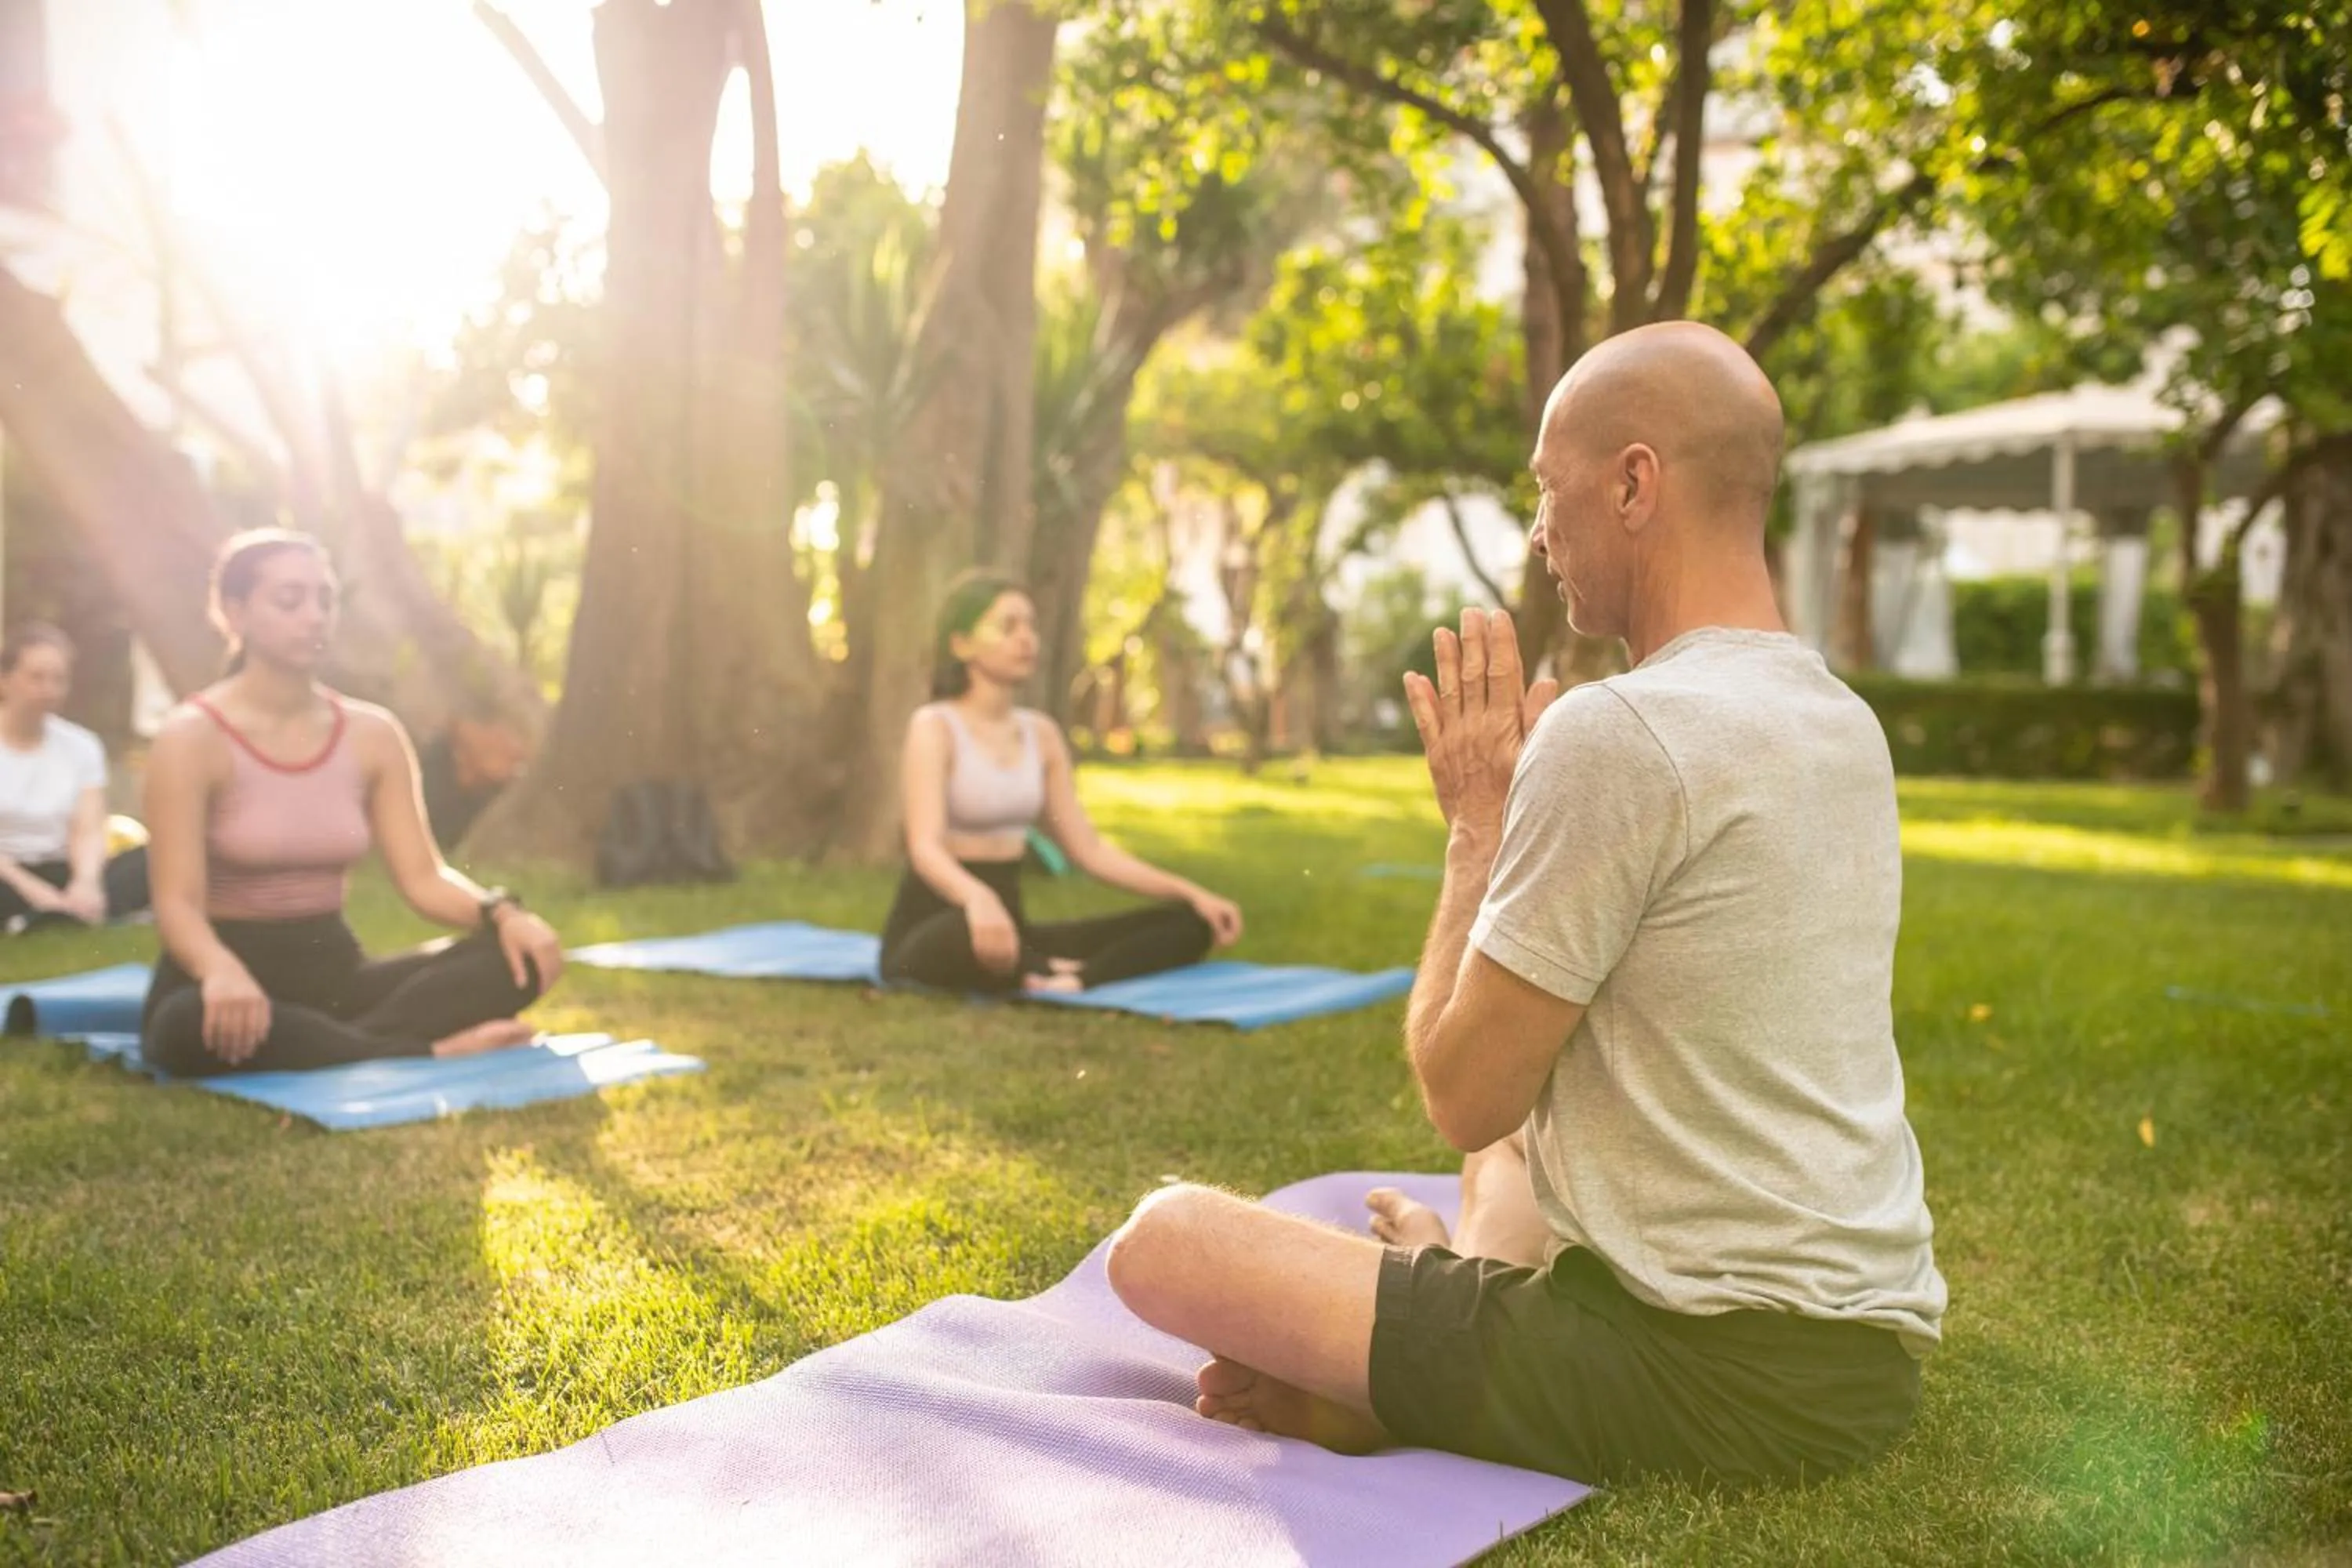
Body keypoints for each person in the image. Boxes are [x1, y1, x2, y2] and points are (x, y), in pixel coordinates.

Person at [1103, 322, 1947, 1487]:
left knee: (1165, 1244)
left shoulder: (1624, 730)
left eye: (1551, 495)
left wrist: (1475, 831)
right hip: (1866, 1362)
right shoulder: (1842, 722)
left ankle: (1408, 1384)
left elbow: (1460, 1090)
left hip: (1702, 1374)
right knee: (1511, 1155)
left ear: (1636, 482)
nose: (1542, 535)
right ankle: (1449, 1312)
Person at [140, 530, 568, 1077]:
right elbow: (176, 903)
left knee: (514, 961)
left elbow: (424, 878)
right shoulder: (191, 736)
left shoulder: (373, 733)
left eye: (326, 599)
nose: (315, 616)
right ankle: (425, 1052)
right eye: (290, 600)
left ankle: (330, 1043)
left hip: (336, 976)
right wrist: (219, 969)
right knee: (184, 1025)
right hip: (220, 975)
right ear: (234, 611)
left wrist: (505, 915)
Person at [880, 572, 1243, 996]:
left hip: (1012, 925)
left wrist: (1192, 893)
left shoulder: (1042, 734)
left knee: (1191, 923)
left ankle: (1068, 977)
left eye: (1030, 626)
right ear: (961, 645)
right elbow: (924, 846)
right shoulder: (935, 726)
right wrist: (977, 900)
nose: (1026, 639)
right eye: (1007, 626)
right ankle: (1043, 968)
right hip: (939, 922)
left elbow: (1088, 850)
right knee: (963, 936)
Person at [0, 623, 151, 931]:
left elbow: (89, 827)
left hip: (62, 867)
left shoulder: (81, 745)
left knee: (156, 858)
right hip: (8, 873)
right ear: (5, 681)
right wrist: (34, 892)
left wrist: (86, 884)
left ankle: (71, 911)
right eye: (36, 677)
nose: (49, 690)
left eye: (59, 679)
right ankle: (46, 914)